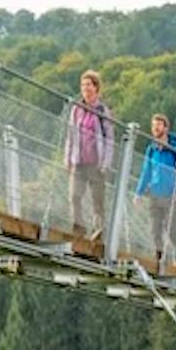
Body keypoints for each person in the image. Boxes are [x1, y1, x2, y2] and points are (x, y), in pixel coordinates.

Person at [133, 113, 176, 270]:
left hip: (171, 195)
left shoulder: (175, 149)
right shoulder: (151, 149)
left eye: (159, 125)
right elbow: (146, 172)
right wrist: (138, 193)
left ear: (166, 128)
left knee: (171, 229)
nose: (155, 128)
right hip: (155, 194)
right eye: (153, 125)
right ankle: (159, 258)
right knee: (155, 229)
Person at [63, 69, 115, 239]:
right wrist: (67, 158)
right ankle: (79, 227)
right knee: (74, 196)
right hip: (79, 161)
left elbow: (109, 139)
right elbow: (71, 135)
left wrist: (106, 164)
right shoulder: (76, 109)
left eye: (89, 85)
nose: (85, 88)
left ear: (96, 88)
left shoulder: (102, 111)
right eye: (83, 85)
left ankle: (98, 232)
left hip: (96, 164)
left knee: (97, 201)